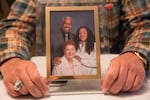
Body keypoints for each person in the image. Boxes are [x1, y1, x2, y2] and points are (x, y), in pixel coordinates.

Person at [0, 0, 149, 98]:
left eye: (71, 24)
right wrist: (11, 60)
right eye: (65, 24)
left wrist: (136, 54)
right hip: (48, 88)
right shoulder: (56, 37)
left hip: (110, 86)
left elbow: (144, 23)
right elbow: (15, 27)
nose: (68, 26)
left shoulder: (76, 39)